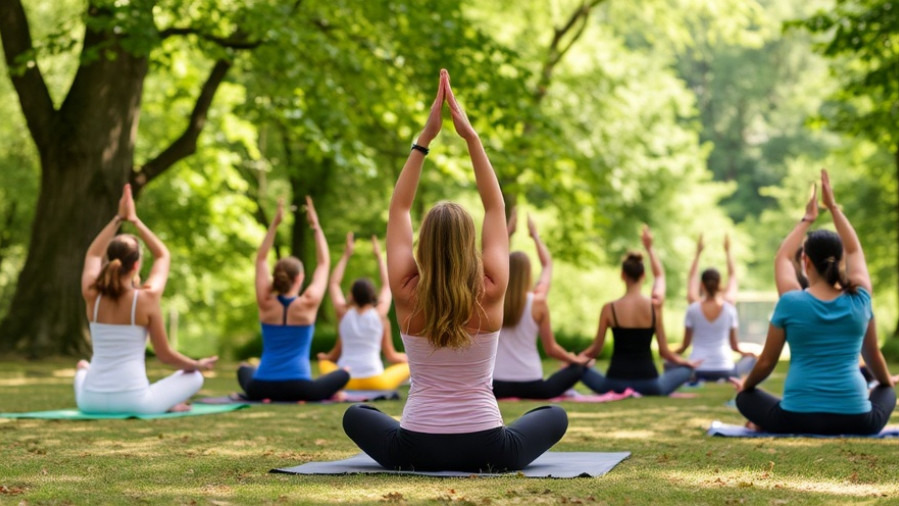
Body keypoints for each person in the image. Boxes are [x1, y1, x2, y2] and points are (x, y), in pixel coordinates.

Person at [342, 69, 567, 472]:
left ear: (423, 244)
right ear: (469, 244)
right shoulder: (492, 286)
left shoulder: (407, 289)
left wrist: (424, 140)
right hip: (489, 449)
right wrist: (471, 139)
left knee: (355, 414)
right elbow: (496, 207)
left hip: (413, 448)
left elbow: (398, 209)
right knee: (555, 415)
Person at [732, 170, 896, 434]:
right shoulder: (860, 299)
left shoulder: (791, 302)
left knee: (745, 397)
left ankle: (757, 416)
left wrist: (807, 219)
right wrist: (834, 208)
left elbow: (765, 363)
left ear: (805, 261)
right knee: (887, 389)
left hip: (797, 418)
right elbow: (872, 354)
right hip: (858, 421)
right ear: (842, 261)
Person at [75, 184, 217, 414]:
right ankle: (167, 403)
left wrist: (118, 219)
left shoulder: (92, 294)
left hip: (90, 402)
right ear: (137, 265)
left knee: (83, 369)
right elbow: (165, 355)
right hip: (135, 402)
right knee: (194, 377)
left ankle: (84, 369)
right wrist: (134, 220)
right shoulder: (146, 299)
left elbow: (92, 254)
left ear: (109, 259)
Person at [237, 198, 350, 401]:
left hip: (261, 387)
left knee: (244, 369)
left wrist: (275, 223)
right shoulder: (308, 302)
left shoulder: (266, 302)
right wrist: (315, 226)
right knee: (345, 372)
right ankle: (332, 392)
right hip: (300, 388)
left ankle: (264, 392)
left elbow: (261, 259)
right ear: (299, 278)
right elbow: (323, 263)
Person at [580, 226, 698, 396]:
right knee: (686, 371)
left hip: (613, 383)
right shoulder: (654, 307)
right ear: (643, 276)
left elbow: (595, 350)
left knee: (576, 369)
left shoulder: (609, 308)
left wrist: (575, 360)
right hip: (651, 385)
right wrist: (687, 363)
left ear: (622, 275)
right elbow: (664, 351)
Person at [492, 210, 588, 399]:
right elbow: (551, 349)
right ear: (528, 274)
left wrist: (507, 232)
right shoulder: (538, 302)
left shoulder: (494, 301)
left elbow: (491, 258)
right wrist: (576, 360)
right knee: (578, 370)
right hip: (532, 386)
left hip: (496, 385)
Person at [317, 232, 410, 390]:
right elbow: (391, 356)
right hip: (376, 382)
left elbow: (333, 283)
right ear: (372, 295)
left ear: (352, 296)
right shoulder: (379, 315)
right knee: (408, 367)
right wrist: (379, 256)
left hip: (345, 380)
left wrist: (347, 254)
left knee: (324, 364)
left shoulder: (343, 314)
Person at [671, 235, 756, 381]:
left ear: (701, 284)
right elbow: (735, 347)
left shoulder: (693, 308)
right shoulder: (729, 308)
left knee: (670, 363)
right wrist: (728, 251)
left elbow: (684, 346)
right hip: (725, 370)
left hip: (697, 369)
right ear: (719, 284)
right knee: (752, 360)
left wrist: (670, 355)